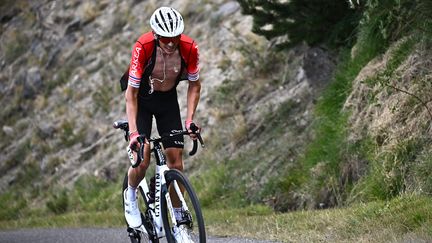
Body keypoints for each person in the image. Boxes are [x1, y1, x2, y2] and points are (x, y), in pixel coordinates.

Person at [122, 6, 201, 231]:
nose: (169, 43)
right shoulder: (143, 46)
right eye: (165, 38)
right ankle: (130, 194)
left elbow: (195, 85)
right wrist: (135, 133)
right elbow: (131, 94)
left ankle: (178, 220)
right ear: (156, 35)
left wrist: (190, 120)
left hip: (167, 100)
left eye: (174, 37)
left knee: (175, 160)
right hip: (143, 101)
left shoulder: (189, 48)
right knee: (143, 156)